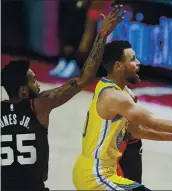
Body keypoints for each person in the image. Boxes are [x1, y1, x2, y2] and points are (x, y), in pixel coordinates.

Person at [1, 5, 124, 191]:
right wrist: (102, 35)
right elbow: (84, 78)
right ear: (24, 91)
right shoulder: (40, 105)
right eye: (34, 81)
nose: (39, 84)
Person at [72, 40, 172, 190]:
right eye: (132, 59)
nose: (138, 63)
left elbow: (136, 131)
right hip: (95, 174)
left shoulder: (117, 91)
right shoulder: (115, 97)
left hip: (97, 171)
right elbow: (152, 121)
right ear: (118, 66)